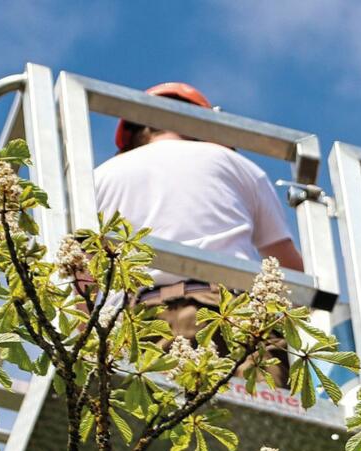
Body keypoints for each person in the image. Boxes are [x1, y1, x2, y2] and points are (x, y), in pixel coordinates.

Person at [93, 82, 303, 341]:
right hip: (234, 315)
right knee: (254, 383)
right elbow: (289, 270)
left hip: (136, 324)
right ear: (203, 124)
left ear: (133, 132)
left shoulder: (102, 175)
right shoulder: (236, 164)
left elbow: (78, 270)